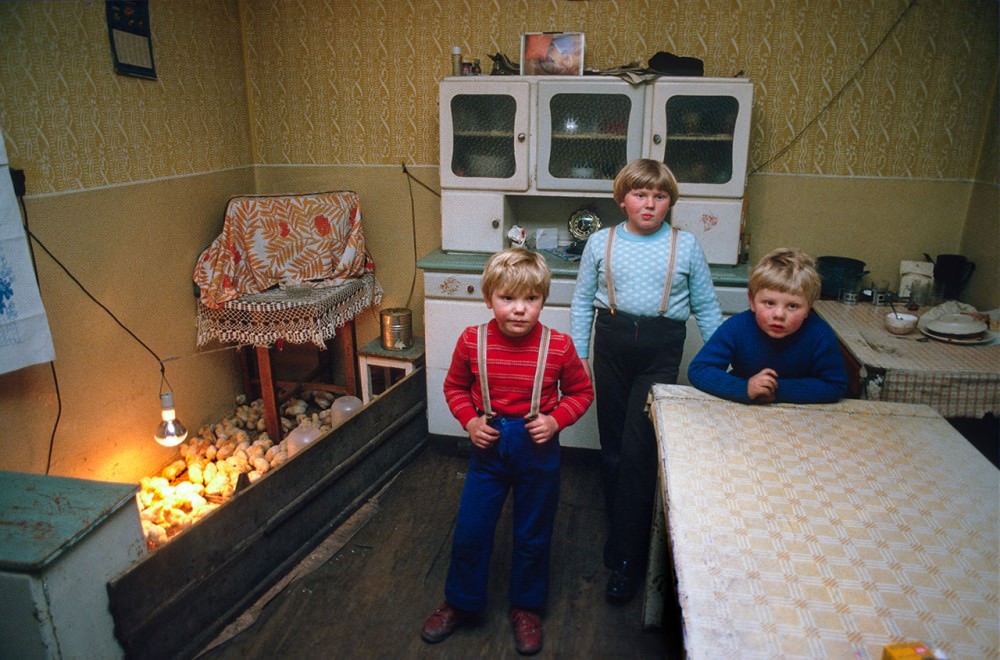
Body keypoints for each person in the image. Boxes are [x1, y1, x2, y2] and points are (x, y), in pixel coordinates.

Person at [421, 248, 594, 656]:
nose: (519, 310)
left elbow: (581, 391)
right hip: (490, 450)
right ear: (488, 299)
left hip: (538, 452)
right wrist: (470, 423)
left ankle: (527, 607)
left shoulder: (560, 347)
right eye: (507, 298)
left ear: (543, 301)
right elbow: (454, 388)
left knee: (532, 534)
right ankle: (461, 602)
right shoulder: (471, 340)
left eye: (530, 300)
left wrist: (555, 420)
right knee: (471, 531)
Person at [569, 158, 722, 604]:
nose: (649, 204)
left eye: (659, 196)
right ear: (623, 200)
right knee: (613, 445)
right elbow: (581, 303)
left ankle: (625, 559)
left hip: (661, 346)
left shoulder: (686, 245)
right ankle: (620, 521)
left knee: (638, 449)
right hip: (611, 342)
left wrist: (723, 364)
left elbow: (708, 309)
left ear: (670, 202)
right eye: (640, 194)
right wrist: (579, 354)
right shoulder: (602, 241)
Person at [687, 247, 848, 404]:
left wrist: (775, 389)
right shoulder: (737, 327)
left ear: (809, 308)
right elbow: (699, 369)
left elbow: (835, 385)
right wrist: (744, 388)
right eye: (769, 303)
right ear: (752, 301)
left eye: (792, 306)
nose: (779, 314)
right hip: (743, 409)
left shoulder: (819, 334)